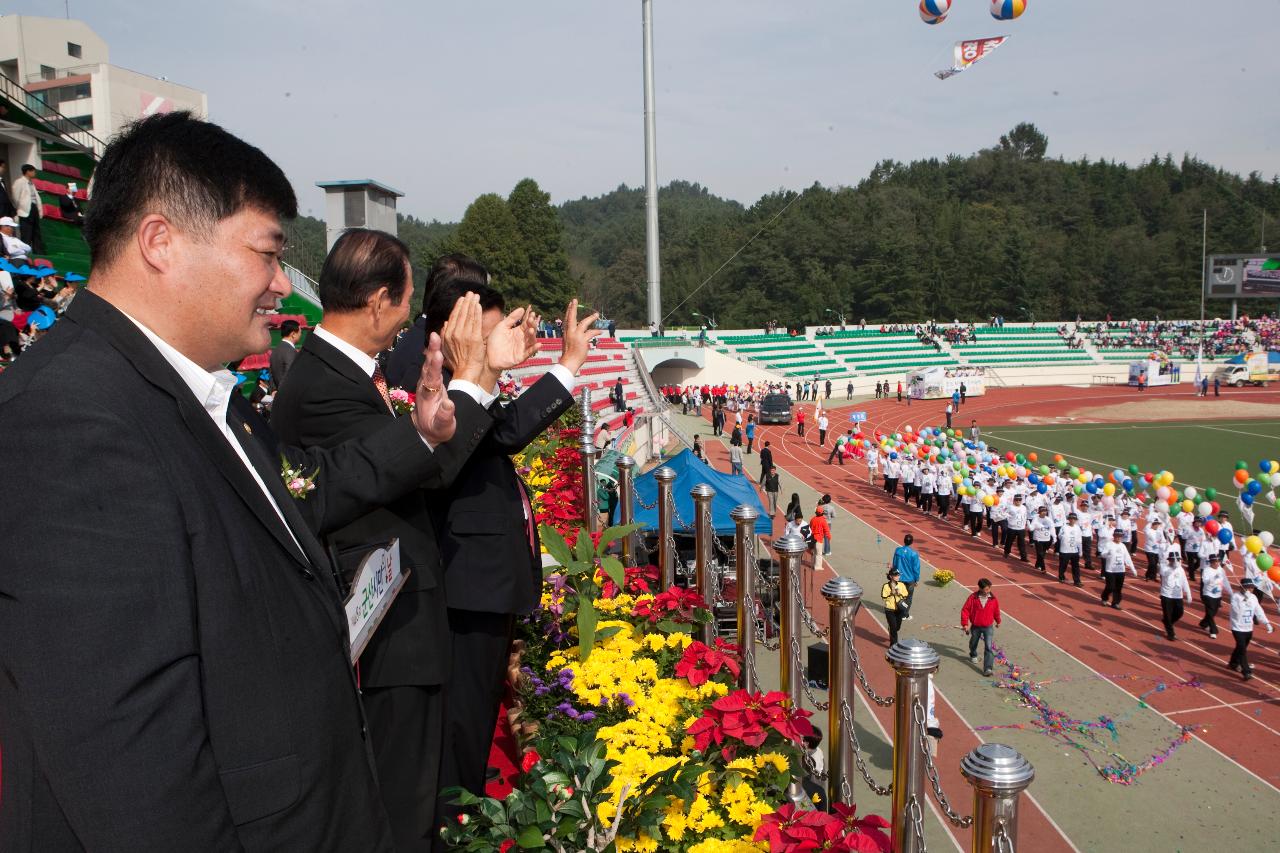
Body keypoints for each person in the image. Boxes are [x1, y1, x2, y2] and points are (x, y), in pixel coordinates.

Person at [0, 112, 462, 850]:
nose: (283, 282)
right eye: (267, 253)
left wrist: (419, 433)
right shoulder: (68, 421)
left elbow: (304, 488)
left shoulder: (202, 391)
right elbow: (134, 768)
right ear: (161, 242)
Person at [270, 233, 528, 851]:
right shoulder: (327, 384)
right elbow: (425, 470)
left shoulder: (342, 373)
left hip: (399, 625)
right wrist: (470, 377)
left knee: (417, 797)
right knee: (406, 807)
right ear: (380, 300)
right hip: (386, 636)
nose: (412, 318)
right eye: (408, 301)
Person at [431, 281, 597, 817]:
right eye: (489, 335)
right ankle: (458, 823)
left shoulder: (462, 382)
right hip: (465, 582)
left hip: (482, 581)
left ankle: (468, 814)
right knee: (462, 722)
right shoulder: (432, 381)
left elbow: (499, 430)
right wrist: (563, 364)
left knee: (476, 719)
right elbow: (495, 437)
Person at [1227, 577, 1273, 681]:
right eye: (1248, 588)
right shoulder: (1235, 597)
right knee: (1242, 650)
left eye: (1251, 588)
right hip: (1237, 628)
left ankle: (1233, 663)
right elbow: (1236, 611)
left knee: (1240, 648)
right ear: (1242, 588)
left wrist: (1267, 623)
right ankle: (1246, 672)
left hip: (1248, 628)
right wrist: (1245, 600)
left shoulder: (1253, 597)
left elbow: (1259, 611)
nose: (1250, 590)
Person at [961, 579, 1001, 677]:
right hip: (976, 626)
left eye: (989, 589)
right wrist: (965, 624)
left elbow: (996, 610)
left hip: (988, 627)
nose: (988, 591)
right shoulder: (973, 598)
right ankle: (973, 654)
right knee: (973, 642)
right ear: (980, 588)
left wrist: (998, 621)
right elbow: (965, 610)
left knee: (988, 647)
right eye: (986, 589)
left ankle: (988, 668)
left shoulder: (993, 599)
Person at [1158, 551, 1193, 641]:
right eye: (1174, 560)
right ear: (1169, 560)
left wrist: (1188, 593)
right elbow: (1164, 573)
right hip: (1166, 595)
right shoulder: (1164, 567)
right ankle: (1171, 633)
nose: (1176, 561)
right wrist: (1172, 568)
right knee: (1168, 614)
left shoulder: (1180, 569)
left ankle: (1167, 623)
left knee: (1179, 612)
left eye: (1177, 560)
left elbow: (1184, 581)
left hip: (1177, 595)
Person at [1101, 528, 1138, 609]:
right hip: (1110, 570)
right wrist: (1108, 554)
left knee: (1118, 588)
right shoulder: (1109, 544)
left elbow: (1127, 558)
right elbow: (1103, 555)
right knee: (1110, 587)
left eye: (1120, 536)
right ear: (1114, 536)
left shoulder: (1123, 546)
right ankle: (1104, 598)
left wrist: (1133, 569)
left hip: (1120, 570)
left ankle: (1115, 603)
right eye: (1117, 536)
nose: (1118, 538)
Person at [11, 163, 42, 253]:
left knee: (36, 232)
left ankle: (38, 251)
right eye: (32, 171)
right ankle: (25, 253)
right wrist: (21, 207)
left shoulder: (32, 183)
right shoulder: (19, 182)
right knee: (26, 233)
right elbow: (15, 197)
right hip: (25, 210)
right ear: (27, 172)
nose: (34, 173)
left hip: (33, 208)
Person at [1198, 553, 1230, 639]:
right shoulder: (1206, 570)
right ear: (1211, 562)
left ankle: (1203, 623)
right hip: (1208, 594)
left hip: (1218, 595)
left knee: (1213, 612)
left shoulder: (1221, 570)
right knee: (1210, 613)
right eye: (1215, 561)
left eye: (1218, 561)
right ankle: (1213, 631)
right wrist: (1214, 578)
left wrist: (1231, 592)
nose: (1217, 563)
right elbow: (1205, 581)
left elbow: (1225, 582)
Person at [269, 317, 302, 391]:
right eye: (300, 332)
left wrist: (274, 390)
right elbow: (289, 376)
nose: (301, 335)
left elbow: (270, 372)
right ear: (293, 334)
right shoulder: (290, 351)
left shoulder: (276, 349)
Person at [892, 533, 922, 613]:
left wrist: (893, 575)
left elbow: (894, 564)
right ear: (912, 542)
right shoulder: (914, 554)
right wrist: (916, 579)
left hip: (899, 578)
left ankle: (897, 610)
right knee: (908, 598)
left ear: (904, 541)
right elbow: (916, 568)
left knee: (898, 595)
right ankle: (904, 614)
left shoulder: (898, 550)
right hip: (910, 579)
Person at [882, 568, 909, 646]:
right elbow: (883, 597)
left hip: (899, 610)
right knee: (893, 629)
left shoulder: (901, 585)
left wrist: (899, 593)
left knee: (897, 627)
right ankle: (893, 646)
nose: (898, 577)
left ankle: (891, 628)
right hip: (889, 610)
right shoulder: (886, 586)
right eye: (896, 575)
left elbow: (906, 594)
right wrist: (891, 593)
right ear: (891, 576)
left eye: (898, 575)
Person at [1058, 512, 1083, 585]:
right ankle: (1061, 577)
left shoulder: (1077, 527)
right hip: (1065, 550)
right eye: (1071, 518)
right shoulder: (1064, 527)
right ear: (1069, 519)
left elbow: (1079, 539)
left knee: (1076, 566)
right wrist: (1064, 537)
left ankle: (1077, 581)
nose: (1072, 520)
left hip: (1074, 550)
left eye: (1074, 519)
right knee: (1063, 565)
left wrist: (1080, 550)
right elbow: (1059, 536)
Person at [1003, 493, 1029, 562]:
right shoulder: (1010, 507)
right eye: (1017, 500)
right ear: (1014, 500)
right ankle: (1006, 552)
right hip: (1012, 528)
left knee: (1022, 543)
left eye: (1019, 500)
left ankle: (1023, 557)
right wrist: (1009, 517)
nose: (1018, 501)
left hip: (1021, 528)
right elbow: (1004, 513)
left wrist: (1025, 524)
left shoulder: (1023, 507)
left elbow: (1025, 516)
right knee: (1009, 541)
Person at [1030, 505, 1055, 573]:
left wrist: (1054, 537)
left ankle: (1037, 564)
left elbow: (1052, 528)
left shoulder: (1048, 519)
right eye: (1042, 511)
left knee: (1042, 553)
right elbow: (1032, 528)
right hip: (1038, 539)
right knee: (1040, 553)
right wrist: (1029, 526)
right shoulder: (1036, 518)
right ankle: (1043, 568)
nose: (1044, 512)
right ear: (1039, 512)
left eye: (1045, 511)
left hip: (1046, 539)